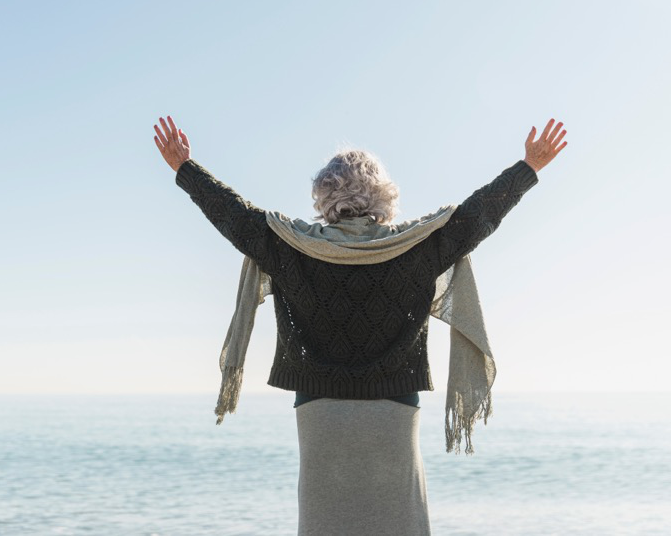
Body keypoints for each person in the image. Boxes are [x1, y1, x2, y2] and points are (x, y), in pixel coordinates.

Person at [154, 116, 566, 536]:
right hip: (395, 413)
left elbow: (233, 215)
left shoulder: (290, 246)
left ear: (324, 196)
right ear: (382, 195)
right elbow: (478, 216)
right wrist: (527, 168)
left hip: (319, 414)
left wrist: (185, 168)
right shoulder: (417, 247)